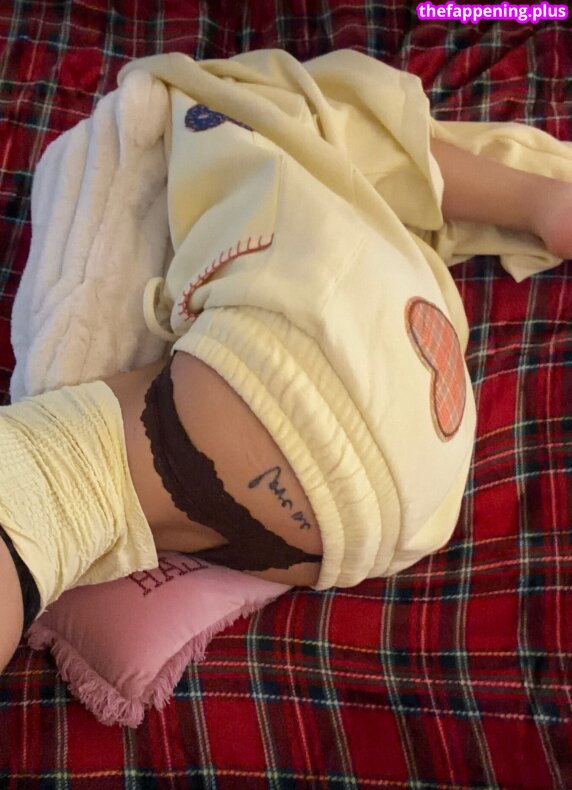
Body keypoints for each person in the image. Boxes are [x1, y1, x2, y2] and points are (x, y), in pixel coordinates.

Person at [1, 49, 571, 676]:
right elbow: (403, 156)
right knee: (60, 503)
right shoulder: (312, 167)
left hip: (305, 384)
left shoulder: (236, 111)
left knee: (50, 489)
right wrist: (537, 201)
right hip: (390, 505)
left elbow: (94, 270)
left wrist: (538, 200)